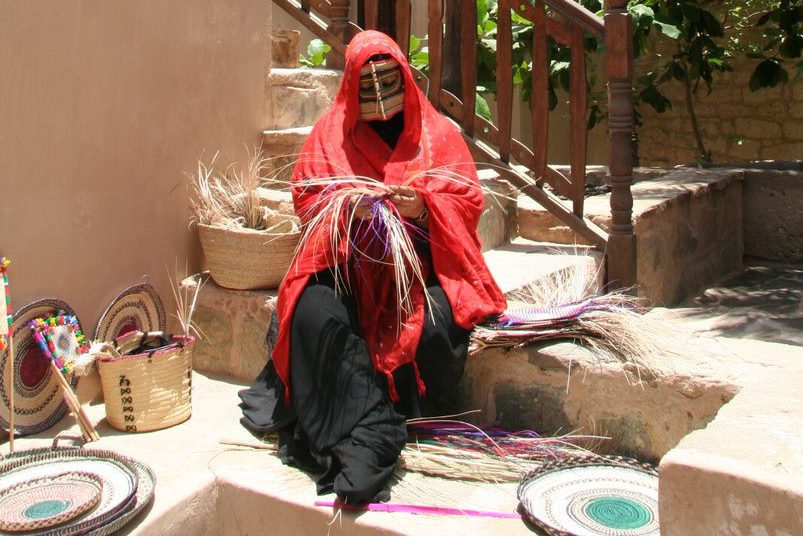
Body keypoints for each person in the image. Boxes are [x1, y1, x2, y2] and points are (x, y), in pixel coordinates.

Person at [239, 30, 506, 504]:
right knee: (310, 313)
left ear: (404, 77)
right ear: (351, 86)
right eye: (368, 85)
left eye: (388, 82)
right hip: (349, 269)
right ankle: (372, 426)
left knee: (437, 326)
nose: (381, 96)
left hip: (416, 276)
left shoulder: (436, 135)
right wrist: (348, 208)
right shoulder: (330, 136)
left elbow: (466, 199)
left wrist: (423, 206)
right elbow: (308, 198)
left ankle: (366, 413)